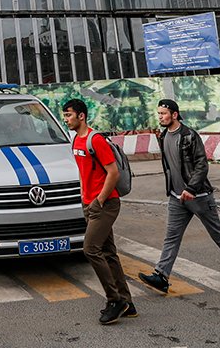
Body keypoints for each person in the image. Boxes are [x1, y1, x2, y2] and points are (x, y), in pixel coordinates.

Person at [137, 99, 220, 295]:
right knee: (171, 237)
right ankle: (161, 276)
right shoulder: (163, 136)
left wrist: (191, 188)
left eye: (163, 113)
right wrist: (176, 190)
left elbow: (201, 165)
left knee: (219, 236)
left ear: (174, 114)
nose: (160, 117)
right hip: (177, 197)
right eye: (159, 114)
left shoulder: (189, 135)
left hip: (199, 197)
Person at [61, 99, 136, 326]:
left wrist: (99, 200)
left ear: (81, 116)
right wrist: (84, 199)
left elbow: (112, 173)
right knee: (108, 252)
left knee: (90, 249)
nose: (66, 120)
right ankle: (127, 302)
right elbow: (85, 174)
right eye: (65, 116)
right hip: (89, 203)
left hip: (105, 204)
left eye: (69, 115)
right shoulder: (76, 140)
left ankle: (114, 300)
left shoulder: (95, 140)